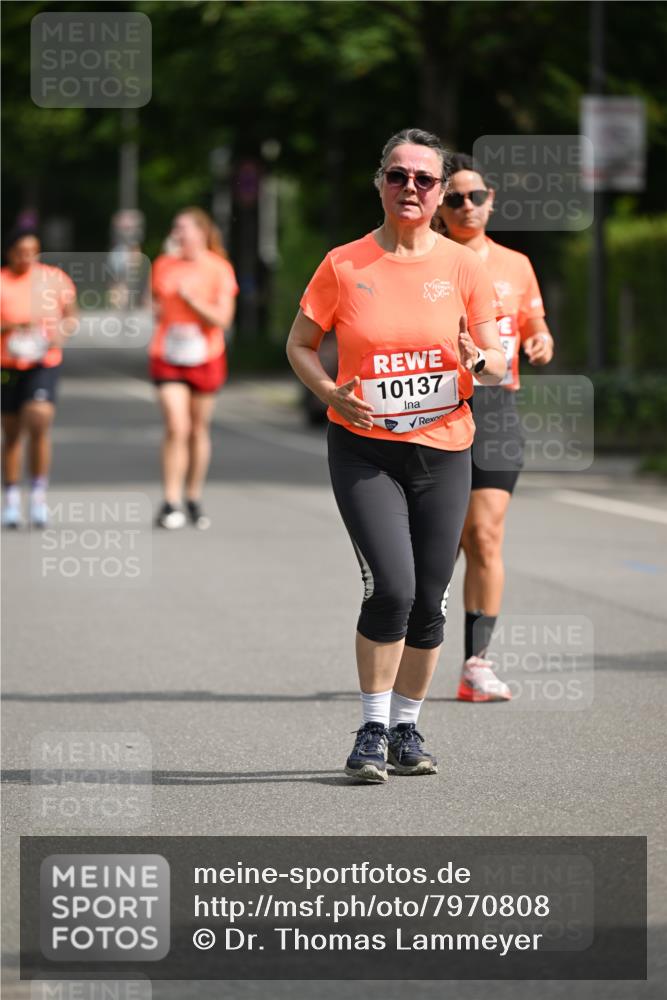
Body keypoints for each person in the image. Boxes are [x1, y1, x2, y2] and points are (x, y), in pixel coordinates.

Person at [286, 129, 507, 783]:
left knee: (429, 600)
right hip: (365, 451)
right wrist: (331, 392)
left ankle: (408, 727)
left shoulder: (465, 267)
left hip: (444, 450)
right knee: (392, 588)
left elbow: (494, 358)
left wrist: (482, 361)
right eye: (397, 176)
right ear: (379, 181)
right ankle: (371, 727)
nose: (409, 188)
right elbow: (300, 344)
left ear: (440, 191)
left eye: (424, 180)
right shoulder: (343, 265)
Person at [436, 153, 554, 702]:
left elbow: (535, 324)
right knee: (440, 546)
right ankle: (413, 635)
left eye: (475, 196)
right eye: (455, 197)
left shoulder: (516, 264)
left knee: (484, 535)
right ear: (440, 206)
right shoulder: (427, 262)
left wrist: (539, 341)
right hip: (438, 409)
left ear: (491, 201)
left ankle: (476, 664)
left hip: (498, 409)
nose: (466, 205)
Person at [150, 208, 238, 529]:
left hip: (206, 355)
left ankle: (193, 496)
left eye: (182, 228)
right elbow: (155, 306)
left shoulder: (219, 269)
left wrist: (192, 302)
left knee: (198, 429)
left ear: (201, 232)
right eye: (175, 228)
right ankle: (170, 500)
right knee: (177, 425)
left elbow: (223, 319)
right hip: (168, 353)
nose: (177, 233)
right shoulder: (162, 265)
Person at [1, 229, 77, 529]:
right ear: (10, 253)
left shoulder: (53, 279)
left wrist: (63, 331)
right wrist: (13, 325)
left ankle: (38, 495)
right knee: (12, 433)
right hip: (7, 364)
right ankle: (10, 498)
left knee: (39, 419)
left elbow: (71, 314)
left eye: (32, 251)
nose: (27, 257)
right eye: (21, 251)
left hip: (43, 361)